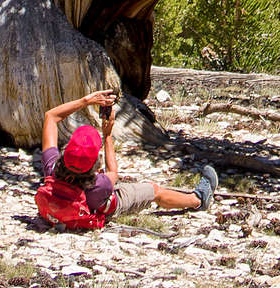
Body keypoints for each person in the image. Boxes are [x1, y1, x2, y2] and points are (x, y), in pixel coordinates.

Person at [37, 89, 218, 226]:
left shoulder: (52, 170)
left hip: (66, 205)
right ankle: (198, 200)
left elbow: (51, 117)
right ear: (93, 163)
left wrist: (86, 101)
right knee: (154, 190)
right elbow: (113, 172)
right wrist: (107, 135)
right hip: (105, 206)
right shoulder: (100, 185)